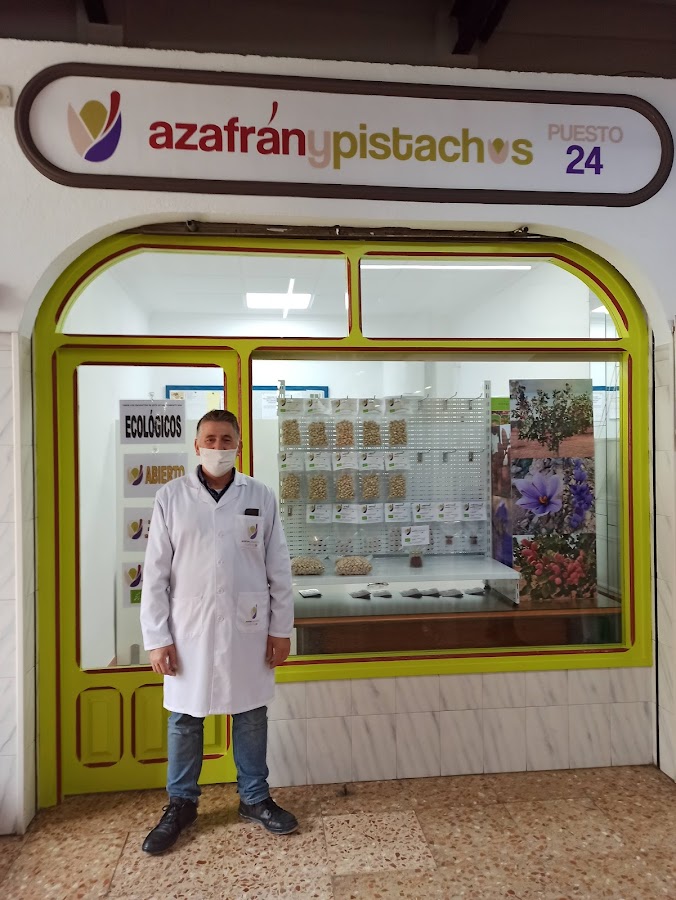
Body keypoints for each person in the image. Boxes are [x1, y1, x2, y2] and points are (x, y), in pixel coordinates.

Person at [140, 409, 297, 854]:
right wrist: (158, 637)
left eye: (226, 439)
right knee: (185, 721)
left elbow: (278, 569)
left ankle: (254, 798)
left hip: (249, 627)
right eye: (210, 438)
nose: (218, 446)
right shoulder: (171, 497)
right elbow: (154, 575)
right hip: (187, 630)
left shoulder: (260, 495)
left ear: (239, 446)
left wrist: (281, 630)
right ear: (196, 445)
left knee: (250, 715)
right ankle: (182, 803)